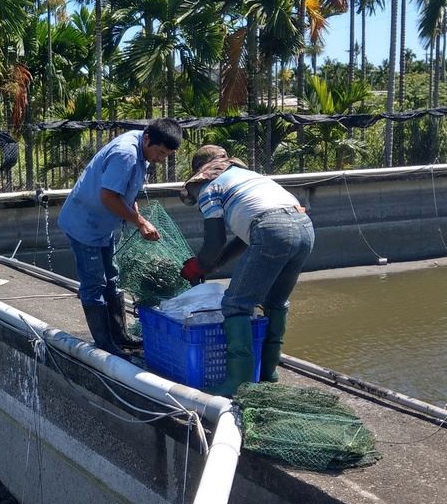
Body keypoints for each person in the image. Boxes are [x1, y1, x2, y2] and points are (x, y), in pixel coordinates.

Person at [179, 144, 315, 396]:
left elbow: (215, 242)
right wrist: (216, 264)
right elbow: (246, 237)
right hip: (304, 227)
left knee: (235, 304)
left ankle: (238, 384)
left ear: (202, 175)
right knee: (275, 301)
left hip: (272, 229)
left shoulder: (211, 189)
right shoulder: (251, 178)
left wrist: (199, 265)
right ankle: (267, 373)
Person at [57, 119, 182, 357]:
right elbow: (108, 196)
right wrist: (140, 221)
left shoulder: (142, 150)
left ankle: (120, 335)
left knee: (112, 277)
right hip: (85, 224)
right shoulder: (125, 153)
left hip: (103, 225)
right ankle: (104, 344)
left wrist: (137, 218)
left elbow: (127, 192)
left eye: (166, 155)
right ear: (147, 139)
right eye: (161, 152)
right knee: (94, 283)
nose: (161, 159)